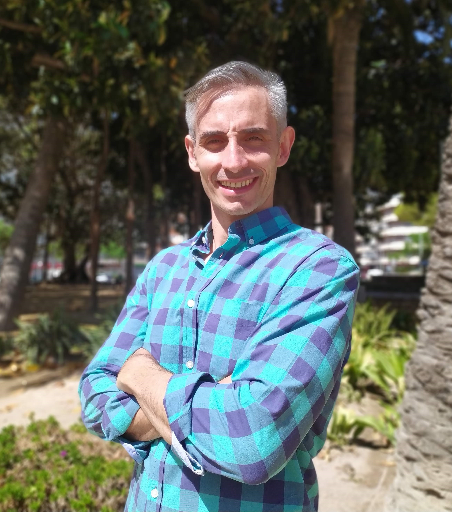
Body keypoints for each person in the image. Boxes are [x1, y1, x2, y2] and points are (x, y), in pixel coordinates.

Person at [79, 61, 360, 512]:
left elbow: (253, 441)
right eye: (214, 141)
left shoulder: (318, 269)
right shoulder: (163, 269)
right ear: (193, 153)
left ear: (283, 146)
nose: (233, 161)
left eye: (254, 139)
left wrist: (141, 377)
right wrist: (213, 401)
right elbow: (94, 393)